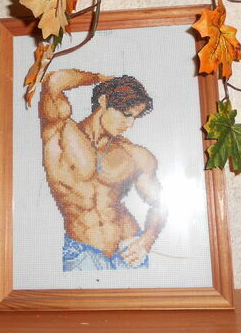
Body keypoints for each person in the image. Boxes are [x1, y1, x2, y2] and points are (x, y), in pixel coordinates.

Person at [39, 68, 168, 271]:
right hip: (82, 253)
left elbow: (160, 203)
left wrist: (147, 240)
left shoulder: (133, 154)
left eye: (134, 117)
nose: (129, 124)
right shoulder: (60, 132)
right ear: (104, 101)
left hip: (129, 252)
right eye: (126, 114)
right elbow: (53, 81)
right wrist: (100, 78)